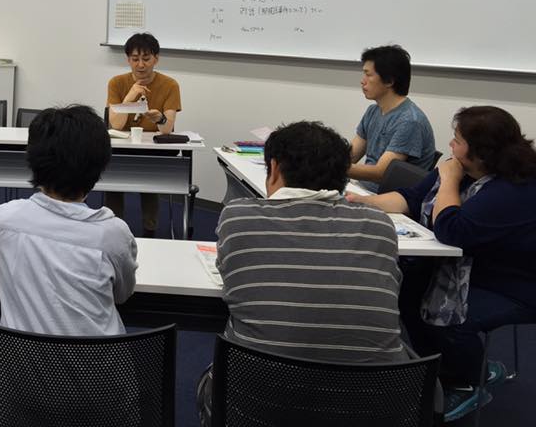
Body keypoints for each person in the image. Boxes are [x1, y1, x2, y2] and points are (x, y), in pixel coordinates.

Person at [197, 121, 405, 427]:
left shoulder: (238, 217)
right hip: (371, 411)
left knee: (208, 377)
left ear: (274, 169)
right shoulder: (379, 225)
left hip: (258, 409)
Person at [347, 106, 536, 422]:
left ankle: (467, 381)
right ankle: (445, 369)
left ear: (480, 152)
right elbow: (411, 198)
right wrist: (363, 203)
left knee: (448, 316)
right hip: (465, 268)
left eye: (457, 140)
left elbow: (452, 229)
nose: (450, 145)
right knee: (406, 294)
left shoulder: (513, 189)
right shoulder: (464, 169)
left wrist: (448, 179)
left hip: (512, 284)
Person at [0, 105, 138, 336]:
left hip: (18, 359)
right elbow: (122, 295)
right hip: (98, 359)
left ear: (32, 159)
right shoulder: (113, 234)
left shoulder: (1, 220)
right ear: (99, 167)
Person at [106, 32, 181, 236]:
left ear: (156, 58)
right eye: (135, 59)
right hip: (121, 148)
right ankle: (113, 227)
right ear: (128, 60)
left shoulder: (170, 85)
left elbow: (167, 128)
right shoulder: (116, 83)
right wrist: (129, 97)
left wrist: (159, 119)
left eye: (146, 59)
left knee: (149, 179)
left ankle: (150, 228)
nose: (140, 65)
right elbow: (116, 124)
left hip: (153, 150)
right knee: (112, 177)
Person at [349, 44, 436, 190]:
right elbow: (351, 155)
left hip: (385, 196)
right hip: (362, 188)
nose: (362, 81)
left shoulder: (410, 121)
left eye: (368, 75)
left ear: (389, 81)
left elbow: (381, 173)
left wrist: (332, 167)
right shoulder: (373, 111)